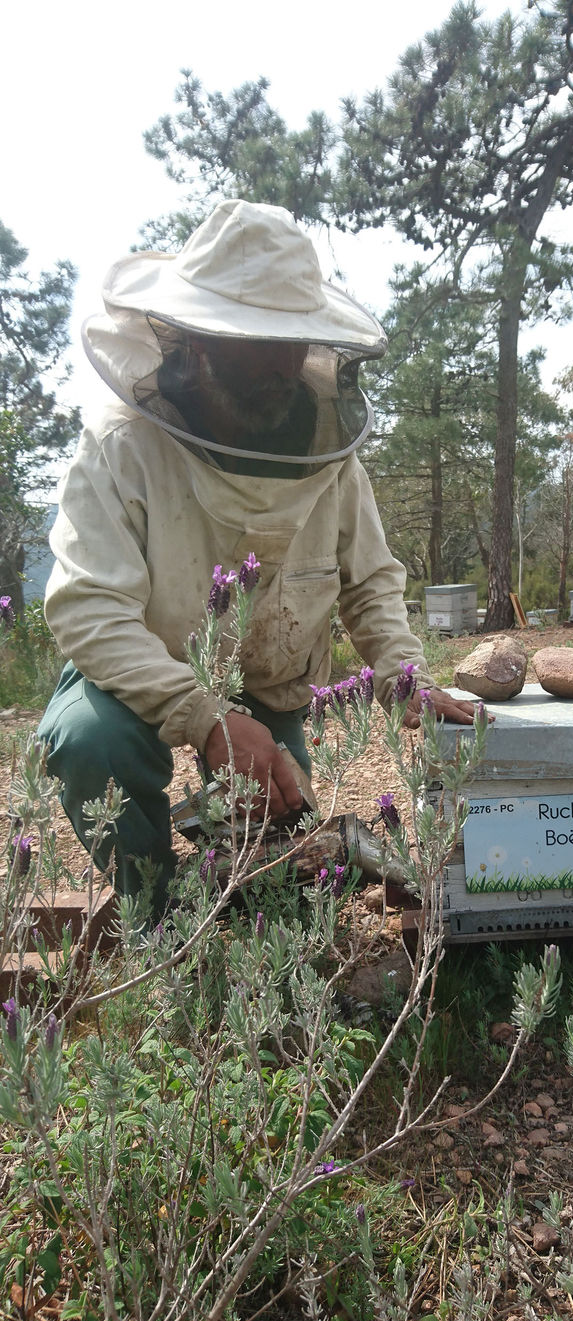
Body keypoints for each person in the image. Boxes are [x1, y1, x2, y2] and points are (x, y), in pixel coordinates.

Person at [38, 201, 476, 914]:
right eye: (259, 340)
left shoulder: (331, 460)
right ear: (197, 341)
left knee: (280, 848)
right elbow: (89, 610)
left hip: (269, 689)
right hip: (137, 675)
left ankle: (236, 897)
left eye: (295, 340)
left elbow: (368, 581)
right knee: (93, 742)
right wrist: (204, 717)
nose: (284, 363)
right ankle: (155, 910)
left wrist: (402, 676)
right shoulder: (122, 449)